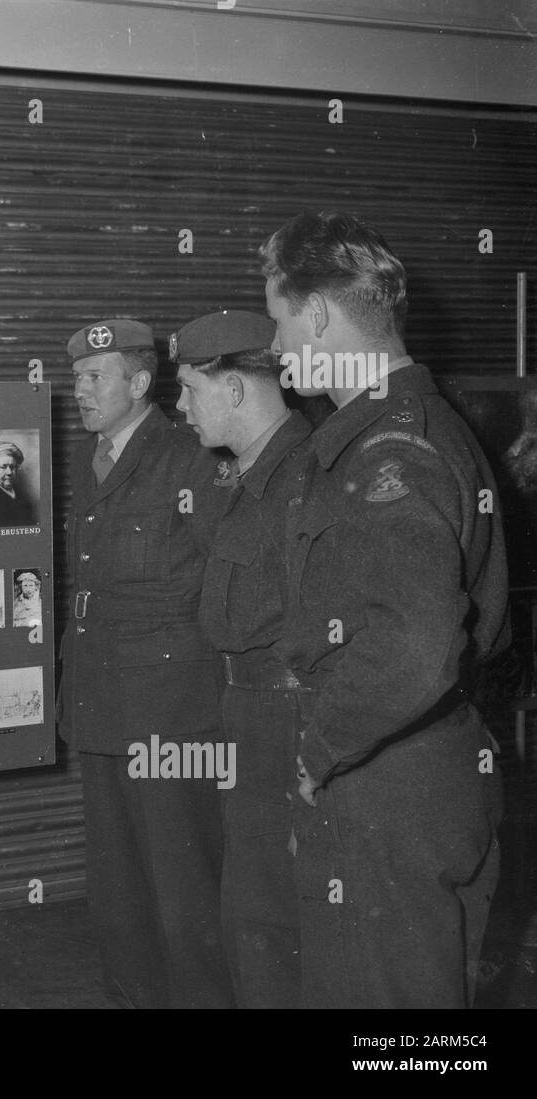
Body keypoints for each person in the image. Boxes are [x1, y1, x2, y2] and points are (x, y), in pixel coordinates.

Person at [260, 211, 508, 1008]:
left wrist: (320, 747)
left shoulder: (391, 455)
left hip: (386, 782)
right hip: (413, 766)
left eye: (279, 320)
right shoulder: (412, 431)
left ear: (320, 315)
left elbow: (414, 645)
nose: (273, 346)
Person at [57, 316, 234, 1009]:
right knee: (118, 887)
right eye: (74, 377)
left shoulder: (192, 455)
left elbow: (230, 576)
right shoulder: (88, 457)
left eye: (93, 376)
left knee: (184, 886)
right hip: (101, 705)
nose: (79, 389)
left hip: (173, 714)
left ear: (138, 381)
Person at [172, 308, 312, 1008]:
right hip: (249, 712)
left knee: (279, 926)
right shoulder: (246, 476)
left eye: (190, 387)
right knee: (251, 924)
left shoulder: (305, 478)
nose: (179, 405)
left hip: (291, 719)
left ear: (233, 390)